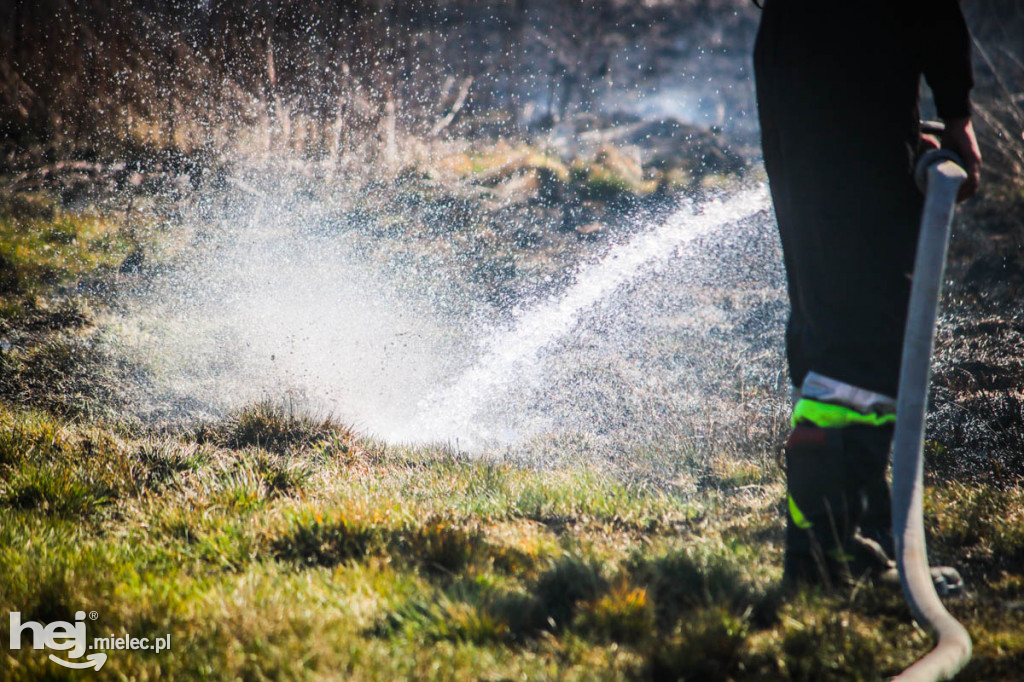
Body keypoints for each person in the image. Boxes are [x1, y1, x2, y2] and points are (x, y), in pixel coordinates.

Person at [752, 0, 982, 588]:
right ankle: (825, 551)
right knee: (863, 332)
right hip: (852, 66)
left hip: (791, 61)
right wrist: (956, 111)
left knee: (828, 317)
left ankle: (856, 530)